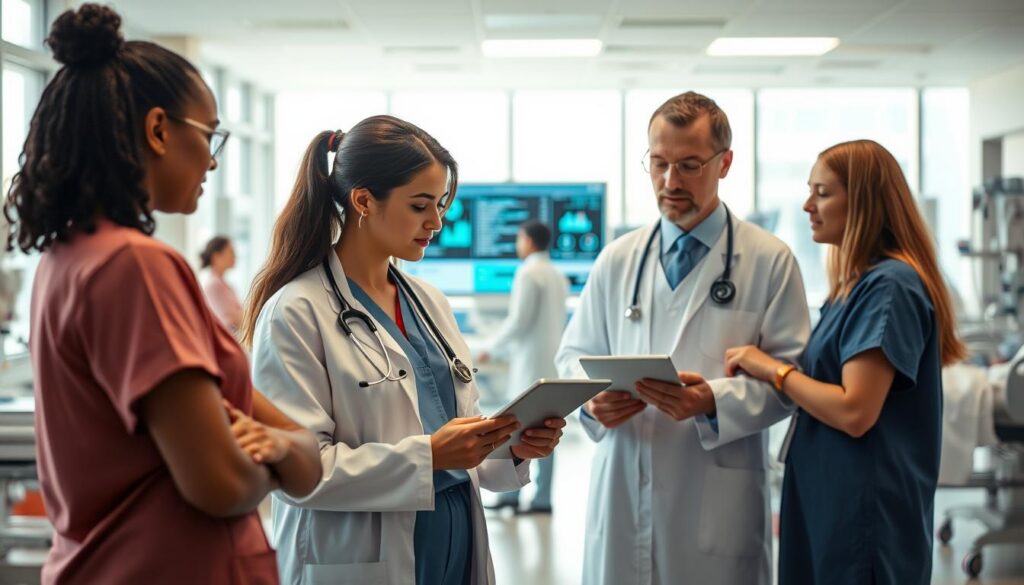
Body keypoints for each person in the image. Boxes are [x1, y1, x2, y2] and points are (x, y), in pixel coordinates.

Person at [3, 5, 321, 583]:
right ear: (158, 130)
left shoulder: (65, 259)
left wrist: (283, 448)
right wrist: (276, 456)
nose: (215, 159)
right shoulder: (135, 265)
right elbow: (224, 483)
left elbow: (304, 450)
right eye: (209, 134)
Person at [243, 115, 567, 585]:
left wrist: (513, 448)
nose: (435, 222)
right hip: (362, 554)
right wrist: (429, 457)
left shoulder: (430, 303)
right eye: (420, 206)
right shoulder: (296, 311)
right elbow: (299, 469)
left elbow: (457, 438)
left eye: (438, 205)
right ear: (363, 201)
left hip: (455, 536)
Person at [555, 91, 811, 585]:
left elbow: (789, 381)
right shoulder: (618, 258)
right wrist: (591, 404)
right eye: (659, 163)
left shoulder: (769, 261)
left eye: (690, 165)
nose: (671, 182)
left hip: (716, 496)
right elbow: (574, 354)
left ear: (725, 163)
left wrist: (711, 400)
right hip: (623, 484)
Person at [724, 139, 967, 585]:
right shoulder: (855, 287)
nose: (807, 205)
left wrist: (771, 369)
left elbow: (855, 411)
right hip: (831, 501)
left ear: (864, 201)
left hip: (864, 514)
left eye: (822, 192)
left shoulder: (890, 287)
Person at [479, 219, 569, 514]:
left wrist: (489, 349)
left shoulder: (528, 273)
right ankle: (540, 498)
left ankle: (512, 494)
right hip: (550, 362)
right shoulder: (557, 274)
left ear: (529, 241)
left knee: (517, 429)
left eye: (519, 239)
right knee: (547, 431)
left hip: (529, 365)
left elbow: (519, 322)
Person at [199, 235, 244, 332]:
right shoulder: (213, 285)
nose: (235, 256)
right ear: (216, 256)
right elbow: (233, 319)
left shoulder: (221, 283)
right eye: (231, 252)